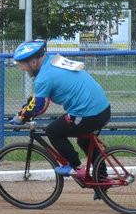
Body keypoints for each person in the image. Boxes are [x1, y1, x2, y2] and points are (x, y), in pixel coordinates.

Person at [11, 40, 112, 177]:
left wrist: (23, 117)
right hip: (103, 108)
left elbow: (40, 106)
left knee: (53, 131)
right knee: (85, 140)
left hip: (87, 113)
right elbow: (38, 97)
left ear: (33, 62)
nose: (22, 68)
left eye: (22, 64)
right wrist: (25, 110)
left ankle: (75, 167)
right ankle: (102, 179)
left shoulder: (44, 77)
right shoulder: (53, 59)